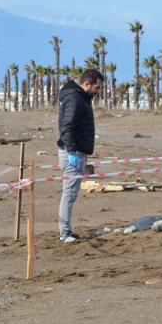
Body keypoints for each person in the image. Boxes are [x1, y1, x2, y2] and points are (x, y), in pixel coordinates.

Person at [56, 68, 103, 243]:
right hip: (72, 153)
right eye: (97, 87)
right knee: (69, 193)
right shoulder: (75, 99)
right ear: (87, 84)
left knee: (72, 193)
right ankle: (64, 233)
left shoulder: (81, 98)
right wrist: (73, 151)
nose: (98, 91)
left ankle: (66, 230)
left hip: (78, 152)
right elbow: (66, 127)